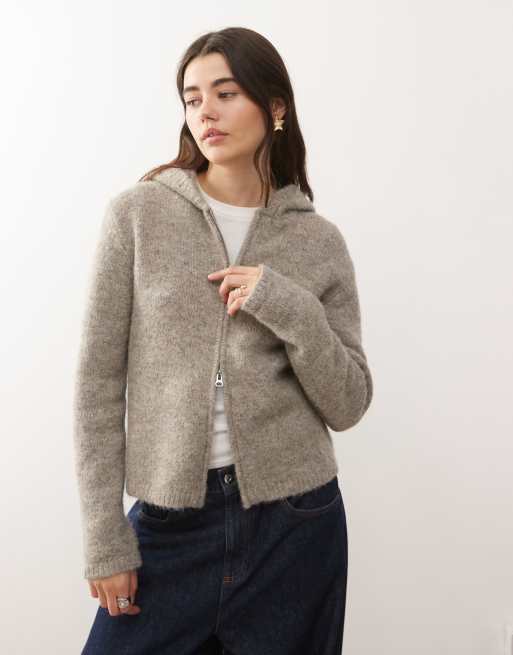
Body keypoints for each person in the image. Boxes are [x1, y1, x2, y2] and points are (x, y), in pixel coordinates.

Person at [74, 26, 373, 655]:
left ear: (275, 106)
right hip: (170, 525)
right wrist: (105, 536)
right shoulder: (138, 215)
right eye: (192, 98)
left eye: (226, 93)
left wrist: (287, 304)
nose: (204, 111)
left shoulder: (319, 242)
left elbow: (348, 403)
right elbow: (97, 384)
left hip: (295, 525)